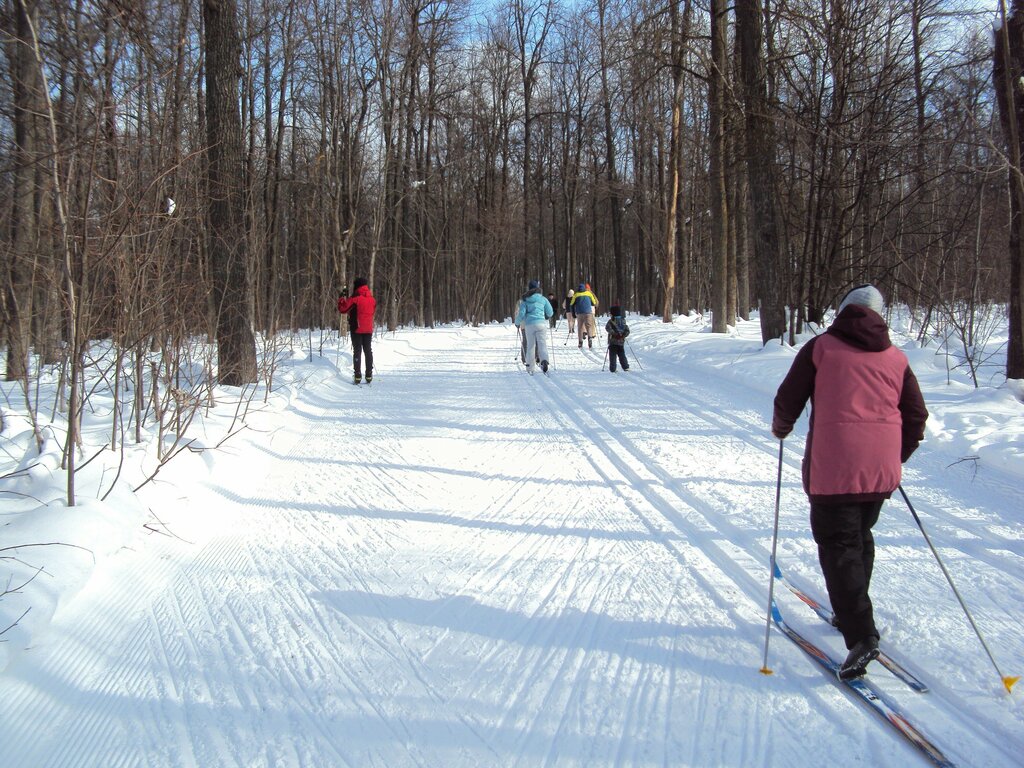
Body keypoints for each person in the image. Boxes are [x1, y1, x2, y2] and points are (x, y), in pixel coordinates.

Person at [771, 284, 928, 680]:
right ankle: (850, 612)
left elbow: (789, 396)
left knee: (839, 545)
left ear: (842, 312)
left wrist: (781, 427)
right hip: (879, 471)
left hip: (835, 468)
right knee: (858, 537)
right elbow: (917, 415)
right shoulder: (895, 357)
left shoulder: (821, 348)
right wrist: (896, 454)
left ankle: (861, 636)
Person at [337, 277, 376, 384]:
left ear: (356, 286)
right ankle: (369, 375)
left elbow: (343, 309)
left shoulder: (355, 298)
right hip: (368, 329)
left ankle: (358, 375)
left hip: (356, 328)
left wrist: (341, 299)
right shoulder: (372, 299)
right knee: (368, 351)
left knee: (357, 351)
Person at [515, 279, 553, 374]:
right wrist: (547, 316)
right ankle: (544, 360)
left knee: (531, 345)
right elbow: (550, 312)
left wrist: (517, 322)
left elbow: (521, 314)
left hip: (529, 325)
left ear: (529, 289)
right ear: (537, 288)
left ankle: (530, 367)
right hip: (541, 324)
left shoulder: (525, 300)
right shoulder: (543, 299)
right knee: (542, 343)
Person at [571, 283, 599, 348]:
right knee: (589, 326)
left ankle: (580, 342)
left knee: (580, 327)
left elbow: (571, 304)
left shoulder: (576, 294)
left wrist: (573, 313)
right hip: (588, 312)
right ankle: (590, 338)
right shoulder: (589, 294)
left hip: (579, 313)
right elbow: (594, 303)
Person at [605, 305, 630, 372]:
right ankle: (625, 367)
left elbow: (607, 328)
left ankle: (613, 368)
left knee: (612, 356)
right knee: (622, 354)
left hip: (612, 341)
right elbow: (627, 330)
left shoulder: (611, 321)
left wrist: (615, 334)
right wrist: (623, 335)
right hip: (621, 342)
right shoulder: (623, 321)